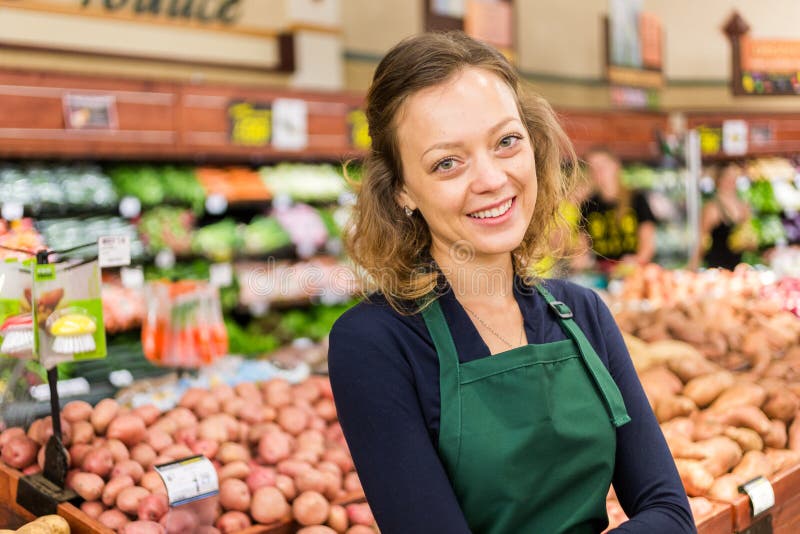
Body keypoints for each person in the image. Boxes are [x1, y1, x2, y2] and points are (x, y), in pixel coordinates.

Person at [328, 32, 694, 534]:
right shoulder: (374, 344)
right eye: (447, 162)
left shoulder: (583, 314)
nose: (492, 179)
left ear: (534, 144)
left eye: (506, 141)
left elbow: (671, 514)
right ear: (402, 192)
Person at [580, 148, 657, 272]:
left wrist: (635, 261)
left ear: (616, 165)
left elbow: (648, 245)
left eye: (603, 165)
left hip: (634, 274)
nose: (599, 171)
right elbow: (581, 247)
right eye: (593, 167)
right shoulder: (588, 204)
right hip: (602, 276)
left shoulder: (636, 198)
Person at [689, 163, 755, 271]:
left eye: (734, 178)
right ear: (719, 180)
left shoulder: (743, 206)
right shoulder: (712, 208)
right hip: (717, 268)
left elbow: (751, 242)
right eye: (728, 177)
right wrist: (693, 266)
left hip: (739, 268)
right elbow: (701, 239)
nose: (732, 182)